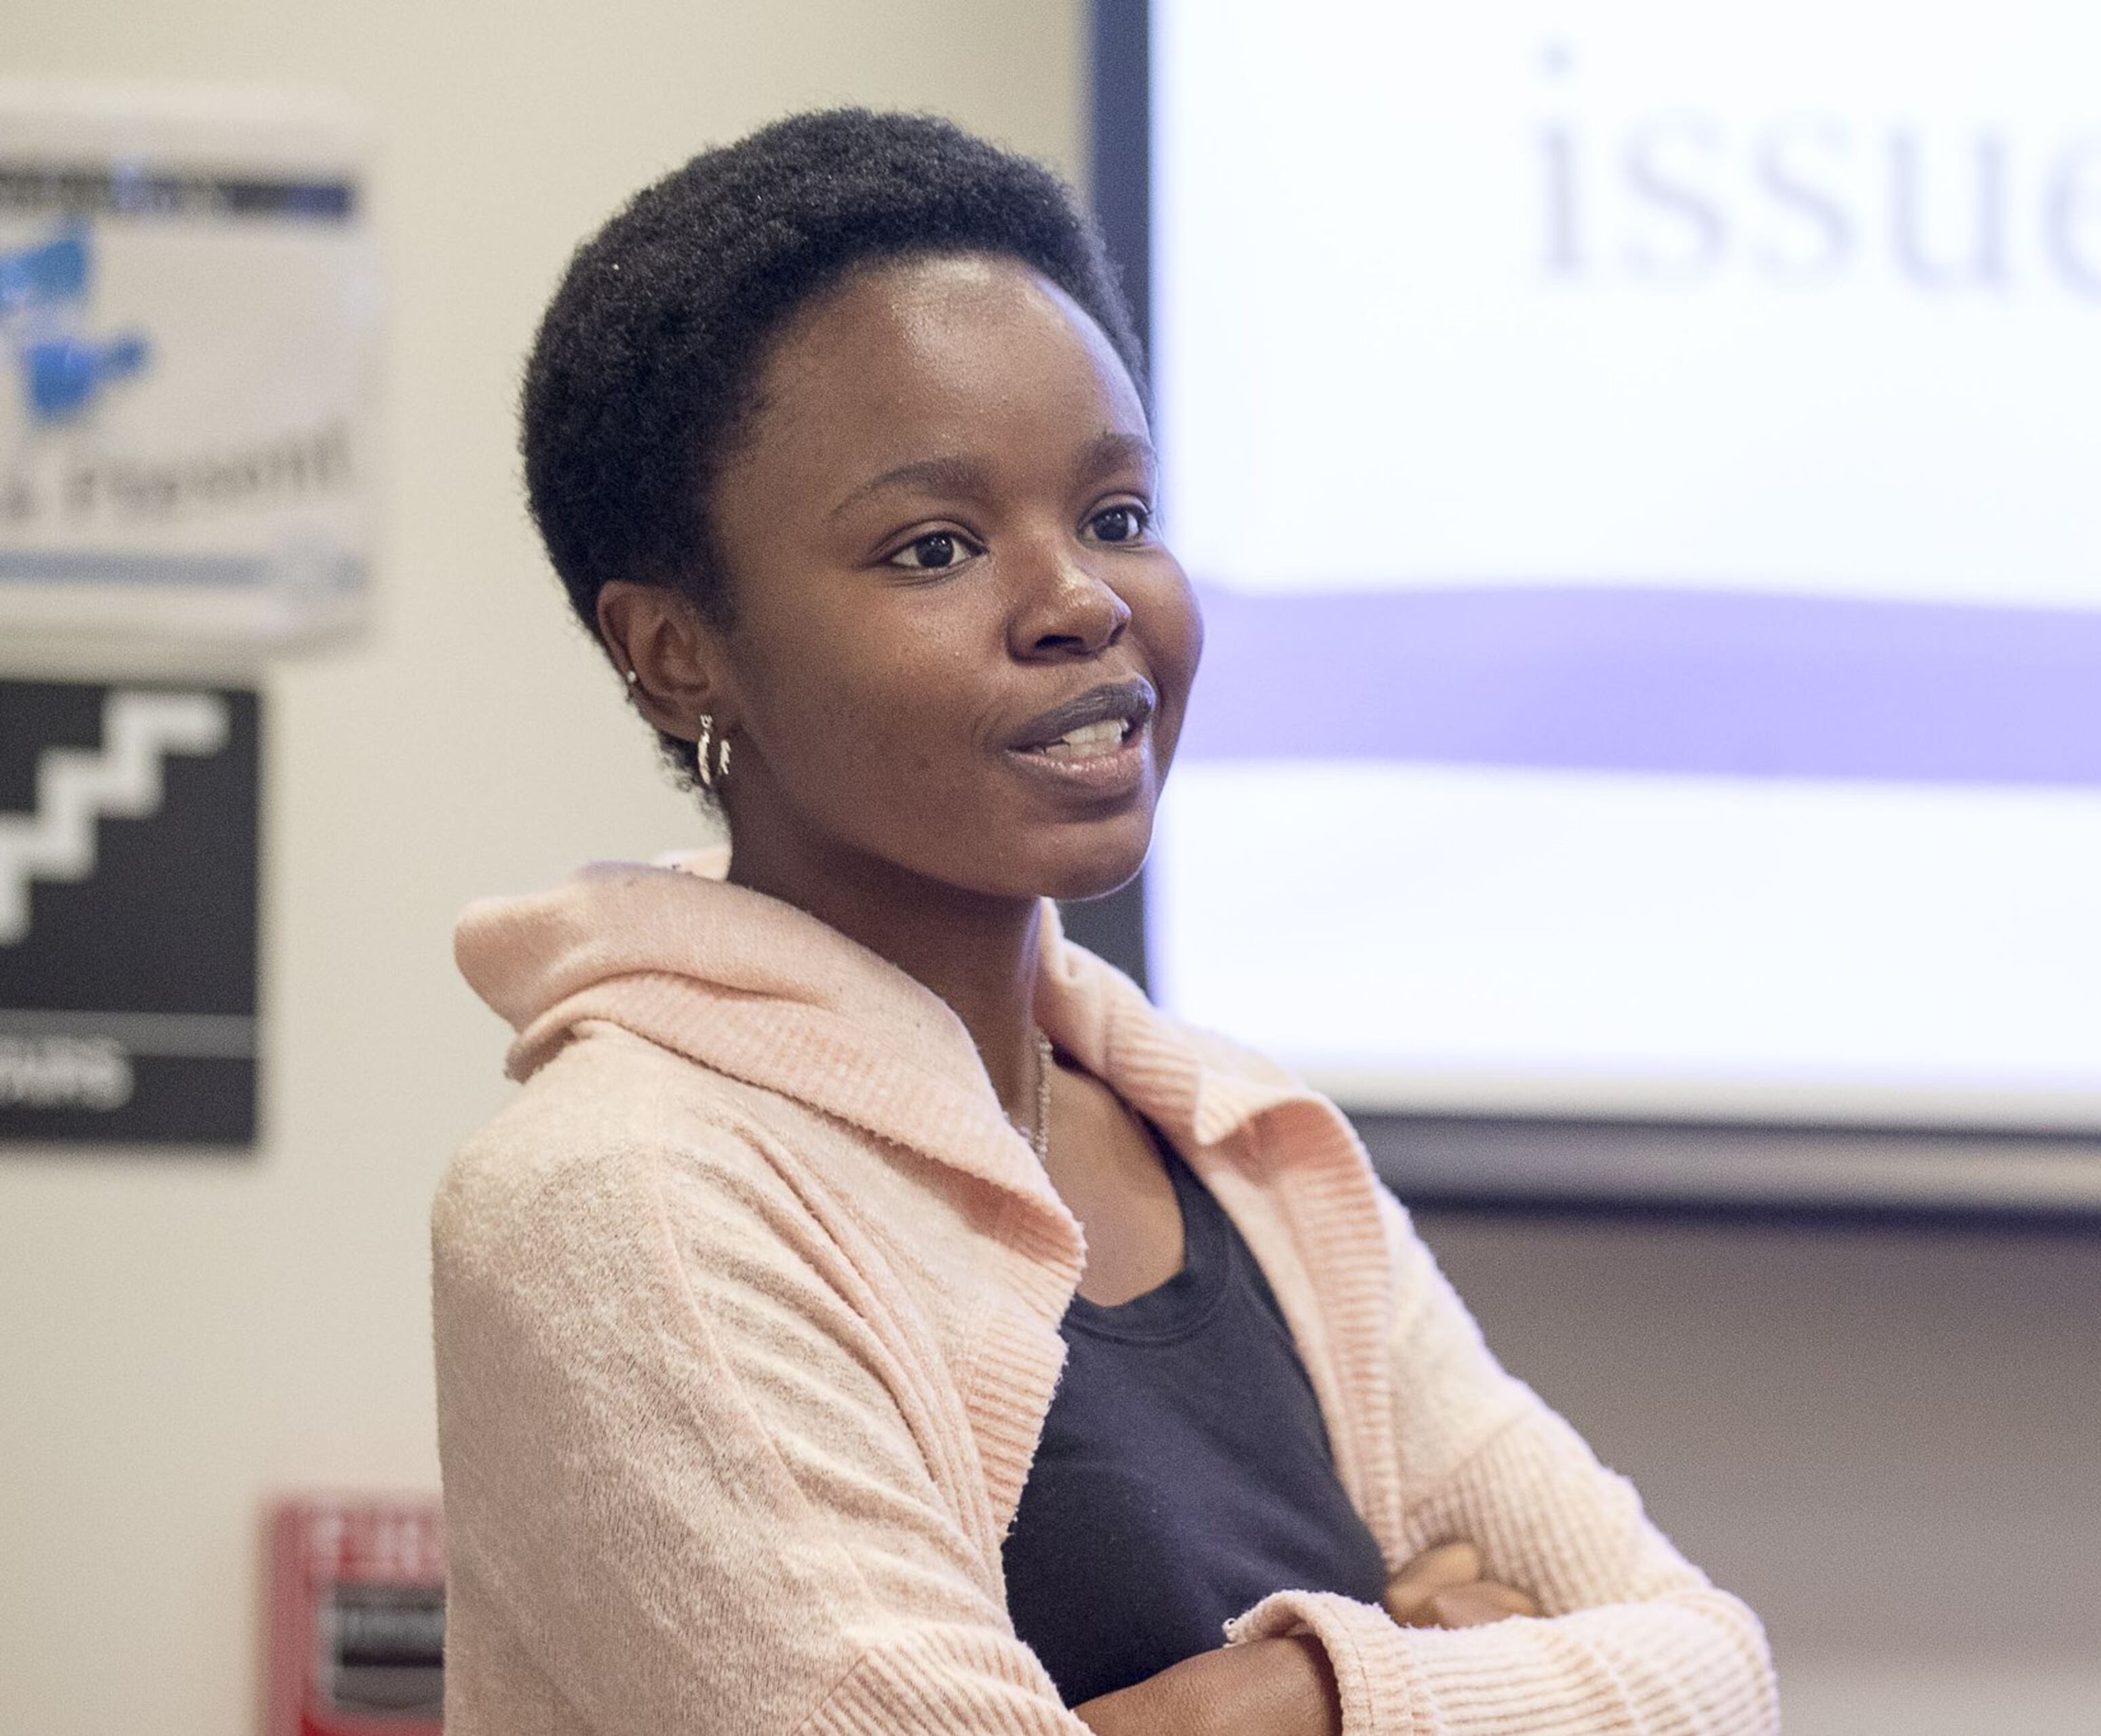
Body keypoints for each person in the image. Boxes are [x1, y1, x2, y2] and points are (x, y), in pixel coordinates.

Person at [430, 109, 1778, 1736]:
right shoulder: (623, 1195)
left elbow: (1714, 1671)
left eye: (1119, 514)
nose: (1082, 598)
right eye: (935, 545)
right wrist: (1452, 1657)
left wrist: (1281, 1700)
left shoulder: (1239, 1141)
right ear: (675, 650)